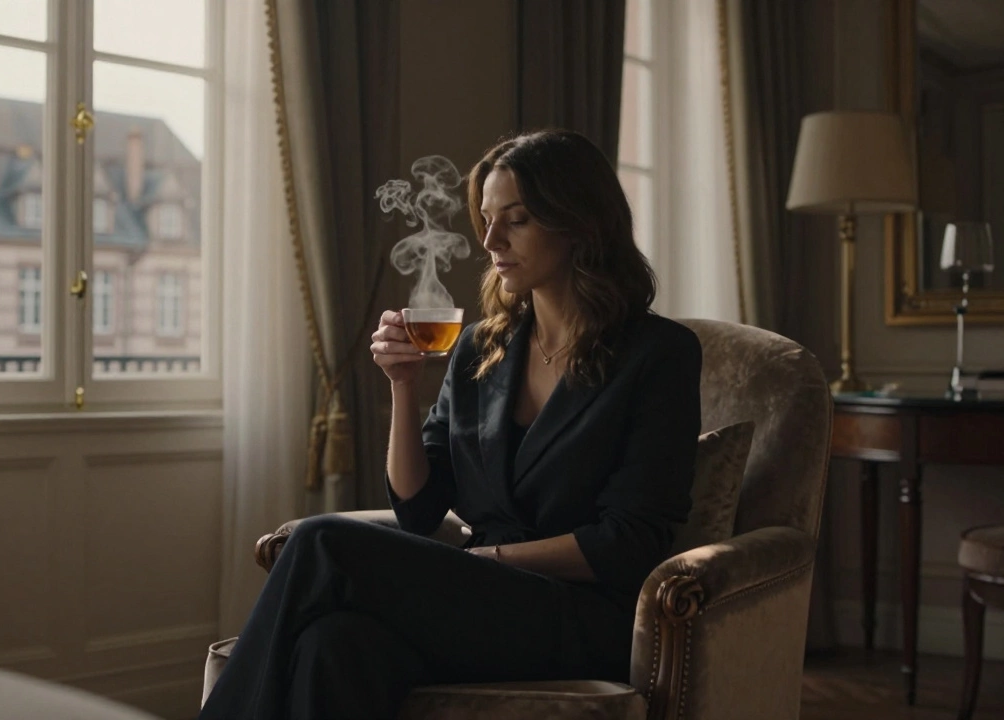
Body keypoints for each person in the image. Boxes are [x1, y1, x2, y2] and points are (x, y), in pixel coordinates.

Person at [198, 130, 702, 720]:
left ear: (578, 223)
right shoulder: (480, 349)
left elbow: (630, 541)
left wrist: (485, 562)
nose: (490, 240)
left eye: (515, 220)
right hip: (476, 604)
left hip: (581, 615)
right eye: (486, 219)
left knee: (320, 540)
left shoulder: (658, 354)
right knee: (330, 646)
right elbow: (420, 509)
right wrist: (403, 386)